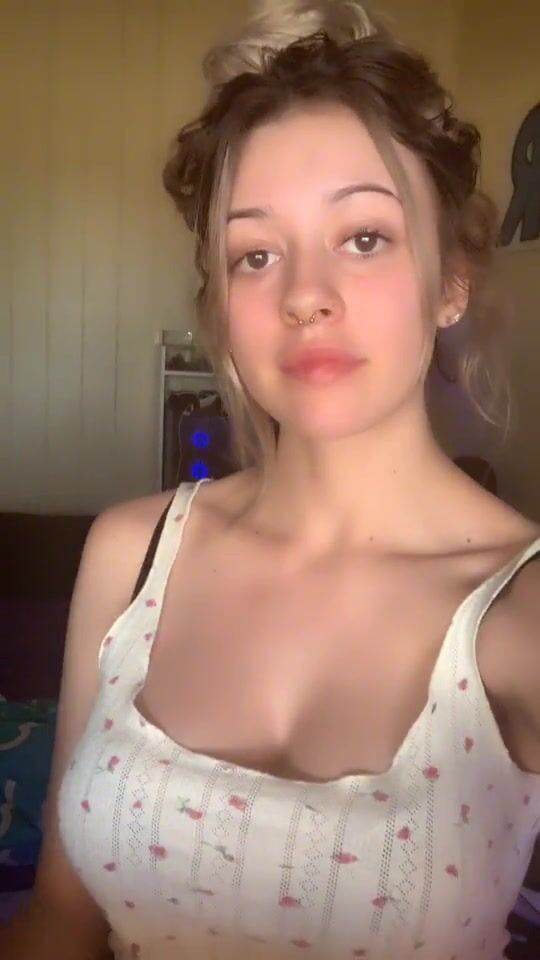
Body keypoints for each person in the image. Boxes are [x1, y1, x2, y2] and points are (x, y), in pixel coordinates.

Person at [3, 2, 540, 958]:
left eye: (364, 237)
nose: (304, 295)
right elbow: (62, 917)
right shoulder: (131, 554)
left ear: (452, 276)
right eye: (256, 254)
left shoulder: (521, 614)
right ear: (221, 305)